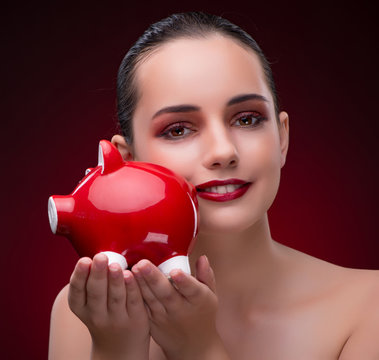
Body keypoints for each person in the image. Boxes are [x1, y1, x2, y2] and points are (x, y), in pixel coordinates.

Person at [48, 12, 379, 360]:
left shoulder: (368, 309)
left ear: (282, 137)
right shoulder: (85, 316)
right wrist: (116, 349)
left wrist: (198, 349)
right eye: (179, 129)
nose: (223, 151)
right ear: (127, 161)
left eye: (247, 119)